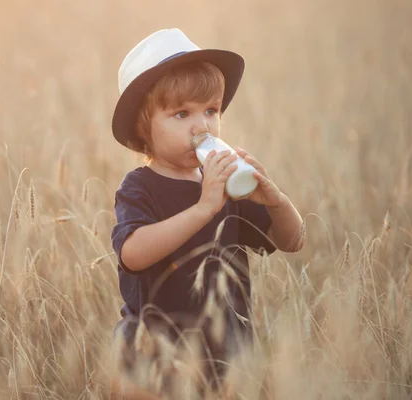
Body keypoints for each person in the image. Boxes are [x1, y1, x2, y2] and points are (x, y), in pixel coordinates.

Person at [109, 28, 306, 398]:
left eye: (211, 111)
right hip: (155, 355)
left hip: (224, 349)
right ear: (144, 129)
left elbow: (293, 241)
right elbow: (132, 254)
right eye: (181, 113)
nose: (202, 125)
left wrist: (276, 200)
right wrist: (204, 208)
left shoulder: (226, 181)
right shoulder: (139, 187)